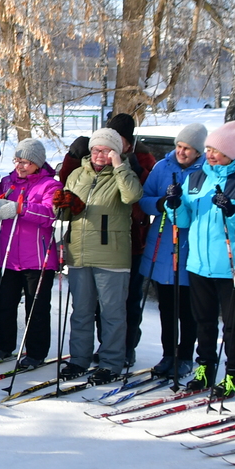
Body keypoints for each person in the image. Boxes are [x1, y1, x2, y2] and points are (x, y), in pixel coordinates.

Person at [170, 120, 235, 395]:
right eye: (208, 149)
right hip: (198, 264)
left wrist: (232, 210)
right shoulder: (197, 177)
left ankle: (234, 372)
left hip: (230, 266)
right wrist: (174, 204)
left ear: (232, 153)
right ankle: (205, 368)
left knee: (233, 324)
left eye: (216, 150)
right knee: (203, 321)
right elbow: (184, 220)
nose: (210, 154)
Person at [57, 127, 143, 383]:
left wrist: (119, 167)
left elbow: (131, 196)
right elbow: (64, 215)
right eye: (95, 149)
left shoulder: (123, 174)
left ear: (116, 152)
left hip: (111, 256)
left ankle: (111, 363)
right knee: (81, 311)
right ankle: (78, 360)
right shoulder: (76, 174)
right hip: (79, 253)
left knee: (112, 313)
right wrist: (62, 207)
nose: (98, 154)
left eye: (105, 150)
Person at [0, 139, 62, 368]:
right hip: (9, 257)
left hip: (38, 259)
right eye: (17, 160)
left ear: (37, 164)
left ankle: (36, 353)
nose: (20, 166)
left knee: (36, 307)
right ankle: (3, 346)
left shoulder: (50, 186)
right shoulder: (8, 182)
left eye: (26, 162)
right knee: (4, 304)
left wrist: (21, 208)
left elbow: (50, 215)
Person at [138, 123, 204, 379]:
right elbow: (144, 199)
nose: (181, 152)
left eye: (187, 148)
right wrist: (161, 203)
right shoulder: (163, 167)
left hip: (190, 247)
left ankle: (185, 355)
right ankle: (168, 354)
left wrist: (184, 204)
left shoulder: (204, 171)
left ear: (198, 151)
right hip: (163, 245)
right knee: (166, 307)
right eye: (178, 146)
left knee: (187, 309)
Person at [104, 113, 156, 368]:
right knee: (104, 301)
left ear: (128, 142)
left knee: (129, 299)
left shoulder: (143, 159)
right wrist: (72, 155)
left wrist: (133, 167)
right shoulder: (100, 153)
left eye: (120, 139)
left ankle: (127, 347)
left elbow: (143, 197)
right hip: (106, 242)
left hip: (135, 241)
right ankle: (108, 345)